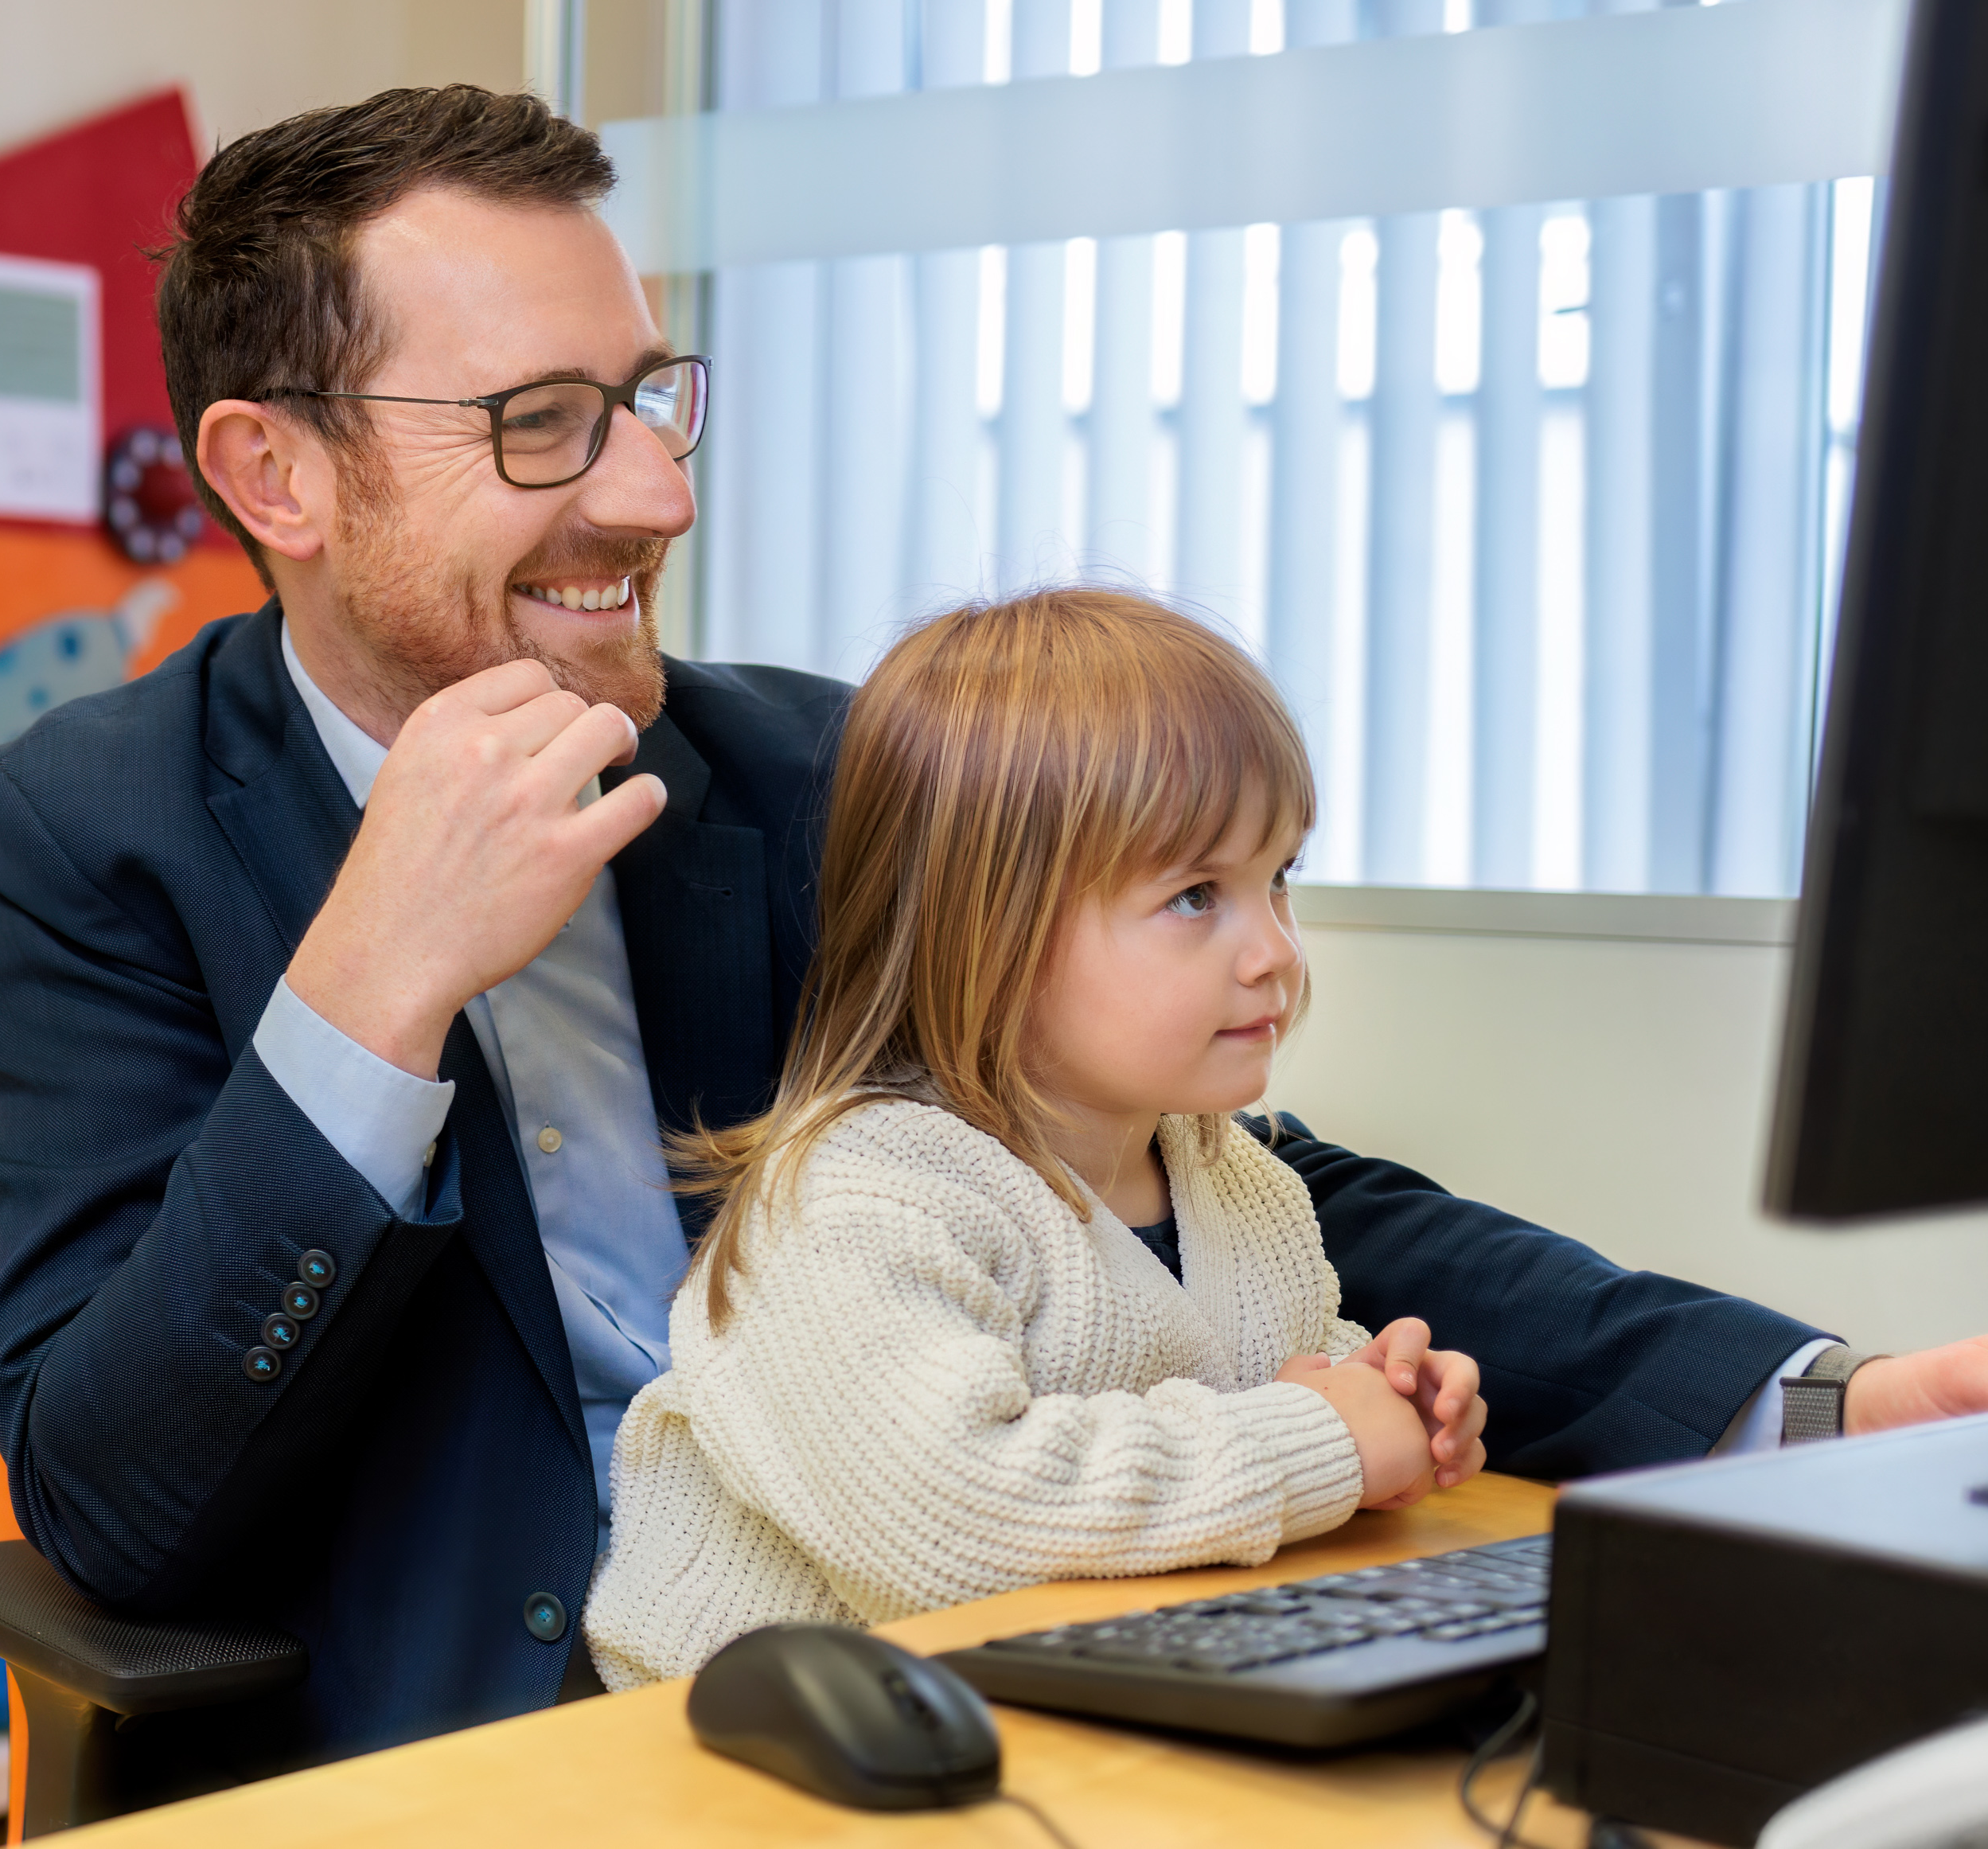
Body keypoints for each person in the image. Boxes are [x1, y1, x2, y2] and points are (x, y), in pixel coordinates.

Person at [0, 84, 1988, 1793]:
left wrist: (1821, 1396)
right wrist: (371, 984)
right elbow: (122, 1507)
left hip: (960, 1655)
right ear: (278, 473)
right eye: (543, 425)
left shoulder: (810, 772)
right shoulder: (84, 834)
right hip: (465, 1753)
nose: (654, 493)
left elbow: (1241, 1185)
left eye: (647, 397)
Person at [588, 589, 1485, 1689]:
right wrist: (1320, 1442)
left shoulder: (1235, 1180)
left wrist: (1382, 1388)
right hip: (744, 1763)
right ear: (992, 931)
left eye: (1279, 878)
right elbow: (951, 1524)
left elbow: (1260, 1371)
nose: (1276, 953)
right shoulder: (854, 1204)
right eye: (1198, 896)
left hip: (1058, 1701)